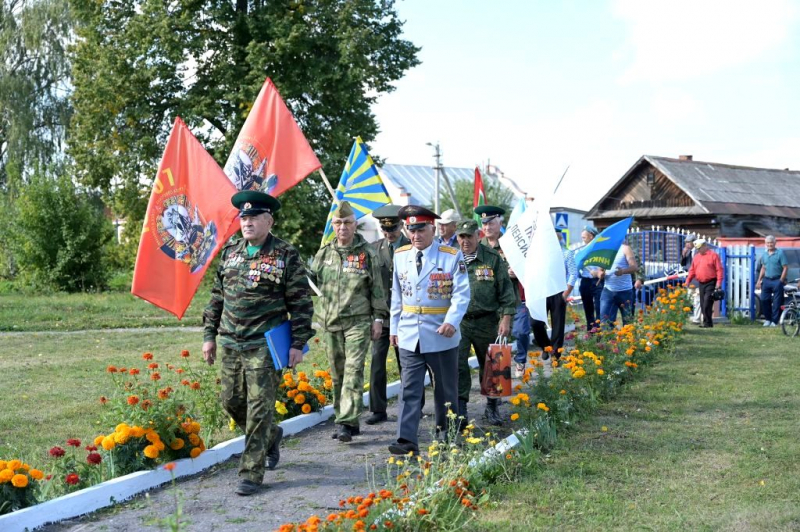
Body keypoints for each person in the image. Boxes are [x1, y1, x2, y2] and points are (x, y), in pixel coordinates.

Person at [202, 189, 314, 496]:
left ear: (269, 220)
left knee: (259, 409)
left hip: (264, 344)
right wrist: (208, 336)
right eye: (244, 217)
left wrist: (297, 343)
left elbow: (301, 303)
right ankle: (271, 435)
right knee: (230, 401)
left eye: (253, 217)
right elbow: (216, 298)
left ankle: (251, 472)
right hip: (230, 342)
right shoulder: (230, 252)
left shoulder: (285, 254)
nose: (247, 222)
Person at [388, 205, 470, 455]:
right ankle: (406, 440)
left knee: (445, 388)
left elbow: (462, 294)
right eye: (411, 230)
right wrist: (394, 328)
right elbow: (397, 295)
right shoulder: (400, 255)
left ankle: (446, 432)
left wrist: (452, 321)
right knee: (409, 388)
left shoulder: (450, 255)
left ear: (432, 228)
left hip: (440, 333)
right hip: (410, 333)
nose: (416, 235)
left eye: (421, 229)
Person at [309, 201, 388, 442]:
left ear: (355, 225)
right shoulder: (324, 253)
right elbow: (313, 284)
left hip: (359, 322)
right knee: (338, 375)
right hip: (331, 322)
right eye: (338, 223)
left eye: (347, 223)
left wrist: (378, 319)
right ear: (333, 225)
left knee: (353, 371)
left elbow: (377, 288)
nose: (342, 227)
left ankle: (343, 422)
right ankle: (349, 420)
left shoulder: (367, 253)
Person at [454, 219, 515, 426]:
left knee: (493, 365)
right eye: (461, 237)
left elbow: (507, 292)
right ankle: (460, 410)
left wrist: (506, 318)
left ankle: (492, 407)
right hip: (459, 322)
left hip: (487, 321)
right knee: (458, 365)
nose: (465, 241)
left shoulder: (492, 258)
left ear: (478, 236)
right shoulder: (450, 258)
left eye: (469, 236)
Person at [365, 204, 409, 425]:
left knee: (407, 363)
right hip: (382, 316)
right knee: (377, 361)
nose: (389, 233)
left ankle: (412, 407)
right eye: (385, 229)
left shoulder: (412, 247)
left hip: (407, 316)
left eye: (392, 229)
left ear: (401, 226)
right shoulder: (374, 249)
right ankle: (378, 409)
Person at [475, 204, 529, 376]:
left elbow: (526, 269)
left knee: (507, 338)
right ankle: (492, 379)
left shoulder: (511, 245)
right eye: (484, 224)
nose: (487, 227)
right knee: (487, 344)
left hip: (508, 302)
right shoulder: (477, 246)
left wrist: (516, 273)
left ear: (499, 223)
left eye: (491, 223)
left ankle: (497, 384)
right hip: (484, 304)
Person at [533, 228, 578, 360]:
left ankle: (556, 356)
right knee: (535, 322)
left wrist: (566, 293)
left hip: (559, 292)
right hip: (541, 292)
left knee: (558, 325)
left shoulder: (566, 253)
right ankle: (545, 345)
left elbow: (573, 273)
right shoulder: (540, 254)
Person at [598, 241, 639, 328]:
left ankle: (627, 341)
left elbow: (634, 267)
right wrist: (600, 274)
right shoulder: (605, 250)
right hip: (608, 291)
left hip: (625, 292)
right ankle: (608, 341)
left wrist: (623, 271)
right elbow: (600, 269)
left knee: (628, 322)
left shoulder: (625, 248)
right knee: (605, 323)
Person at [684, 239, 724, 328]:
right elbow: (692, 271)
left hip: (711, 282)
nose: (698, 251)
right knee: (702, 304)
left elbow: (719, 270)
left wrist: (719, 282)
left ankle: (707, 323)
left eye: (699, 248)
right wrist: (688, 281)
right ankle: (708, 323)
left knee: (707, 302)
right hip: (701, 283)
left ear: (705, 246)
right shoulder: (696, 257)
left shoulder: (714, 256)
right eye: (697, 249)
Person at [755, 235, 789, 327]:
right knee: (764, 299)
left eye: (771, 243)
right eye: (768, 243)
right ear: (765, 244)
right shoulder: (764, 255)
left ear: (775, 243)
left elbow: (785, 267)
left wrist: (781, 280)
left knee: (777, 302)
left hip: (777, 280)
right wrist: (759, 280)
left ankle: (774, 321)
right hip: (766, 280)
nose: (770, 244)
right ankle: (768, 319)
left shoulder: (780, 253)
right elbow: (763, 268)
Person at [577, 225, 604, 331]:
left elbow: (605, 264)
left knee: (599, 307)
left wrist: (599, 271)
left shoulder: (600, 249)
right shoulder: (582, 250)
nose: (582, 239)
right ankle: (590, 329)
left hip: (597, 282)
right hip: (585, 281)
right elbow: (578, 264)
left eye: (584, 237)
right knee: (588, 307)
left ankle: (599, 330)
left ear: (591, 236)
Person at [681, 234, 702, 324]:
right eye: (686, 243)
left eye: (688, 242)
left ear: (694, 242)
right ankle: (692, 316)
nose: (687, 244)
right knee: (689, 299)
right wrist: (683, 255)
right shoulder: (688, 252)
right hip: (690, 279)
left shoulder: (699, 251)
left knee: (697, 299)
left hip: (698, 279)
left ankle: (697, 319)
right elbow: (683, 264)